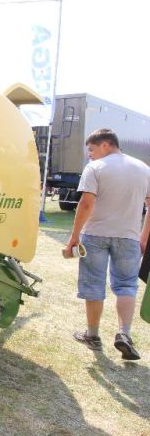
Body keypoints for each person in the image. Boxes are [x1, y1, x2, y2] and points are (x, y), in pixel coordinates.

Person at [68, 128, 150, 360]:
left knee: (93, 284)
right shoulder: (144, 169)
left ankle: (92, 335)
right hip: (129, 236)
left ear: (105, 145)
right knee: (126, 286)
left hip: (95, 234)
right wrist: (143, 238)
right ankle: (124, 333)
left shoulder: (95, 168)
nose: (89, 155)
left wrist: (74, 236)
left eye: (91, 150)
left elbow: (85, 204)